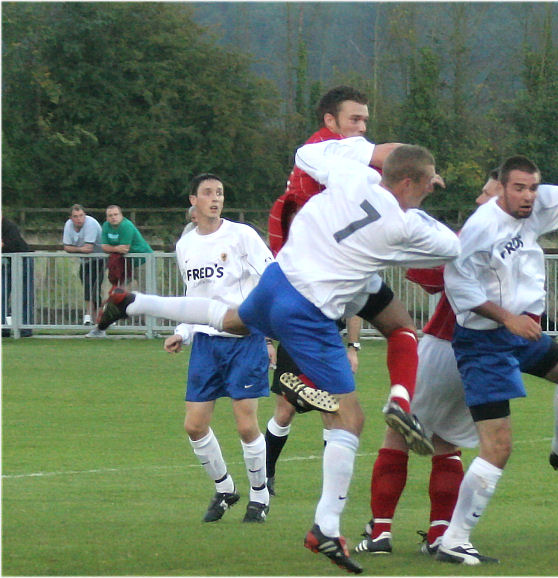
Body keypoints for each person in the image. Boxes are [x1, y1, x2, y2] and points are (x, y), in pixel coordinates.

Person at [96, 139, 460, 574]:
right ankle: (326, 526)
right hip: (310, 309)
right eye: (427, 183)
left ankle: (133, 302)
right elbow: (451, 247)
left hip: (278, 281)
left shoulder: (351, 175)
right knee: (351, 418)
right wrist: (418, 205)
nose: (429, 189)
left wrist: (368, 151)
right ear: (411, 181)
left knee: (231, 319)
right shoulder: (405, 224)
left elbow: (308, 156)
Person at [437, 155, 558, 565]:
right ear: (499, 187)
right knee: (497, 448)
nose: (528, 196)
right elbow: (459, 290)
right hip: (484, 343)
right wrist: (507, 319)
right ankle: (454, 538)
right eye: (519, 188)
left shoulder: (537, 205)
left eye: (532, 187)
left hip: (522, 333)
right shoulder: (480, 229)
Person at [354, 170, 503, 557]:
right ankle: (440, 534)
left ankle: (381, 532)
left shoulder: (475, 239)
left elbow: (427, 272)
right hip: (484, 356)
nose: (478, 201)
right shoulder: (519, 242)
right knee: (447, 444)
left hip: (443, 345)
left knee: (397, 436)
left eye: (486, 193)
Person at [265, 86, 370, 496]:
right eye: (354, 120)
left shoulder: (350, 163)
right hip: (302, 303)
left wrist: (354, 346)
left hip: (328, 304)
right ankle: (266, 476)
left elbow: (357, 279)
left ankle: (330, 498)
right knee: (286, 408)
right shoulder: (319, 158)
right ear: (330, 122)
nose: (361, 128)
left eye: (366, 121)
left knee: (336, 409)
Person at [169, 173, 275, 523]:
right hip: (205, 345)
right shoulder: (186, 246)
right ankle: (226, 488)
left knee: (246, 426)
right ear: (193, 201)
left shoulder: (242, 236)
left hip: (244, 341)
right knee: (194, 425)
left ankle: (259, 497)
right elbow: (194, 298)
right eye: (208, 193)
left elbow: (271, 278)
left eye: (220, 193)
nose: (215, 198)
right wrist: (183, 332)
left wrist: (270, 333)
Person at [62, 204, 106, 336]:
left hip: (100, 258)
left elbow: (89, 249)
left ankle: (90, 315)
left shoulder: (91, 224)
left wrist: (76, 249)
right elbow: (66, 247)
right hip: (85, 261)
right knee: (87, 285)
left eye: (81, 215)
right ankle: (97, 317)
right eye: (75, 216)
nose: (79, 219)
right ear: (71, 218)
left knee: (94, 286)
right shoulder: (68, 225)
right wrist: (80, 250)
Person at [101, 205, 153, 287]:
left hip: (143, 259)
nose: (113, 217)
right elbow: (104, 247)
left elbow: (124, 249)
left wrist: (111, 248)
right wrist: (117, 248)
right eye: (110, 215)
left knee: (146, 289)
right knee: (118, 290)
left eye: (116, 214)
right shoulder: (106, 226)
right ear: (107, 218)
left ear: (121, 215)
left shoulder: (126, 225)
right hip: (125, 262)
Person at [1, 216, 34, 337]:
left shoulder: (10, 227)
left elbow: (8, 245)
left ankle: (26, 328)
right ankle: (3, 327)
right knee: (2, 295)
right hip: (5, 263)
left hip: (23, 261)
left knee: (24, 295)